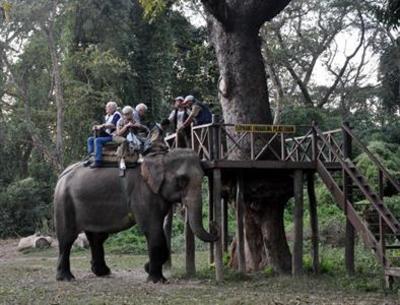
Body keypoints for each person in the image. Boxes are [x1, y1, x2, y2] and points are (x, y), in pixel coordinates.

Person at [86, 101, 121, 168]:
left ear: (112, 108)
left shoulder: (117, 115)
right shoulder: (107, 116)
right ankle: (91, 157)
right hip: (107, 134)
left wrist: (102, 126)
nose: (106, 109)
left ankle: (98, 160)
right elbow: (104, 126)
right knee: (90, 139)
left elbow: (113, 125)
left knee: (98, 140)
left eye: (107, 108)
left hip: (113, 136)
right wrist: (97, 127)